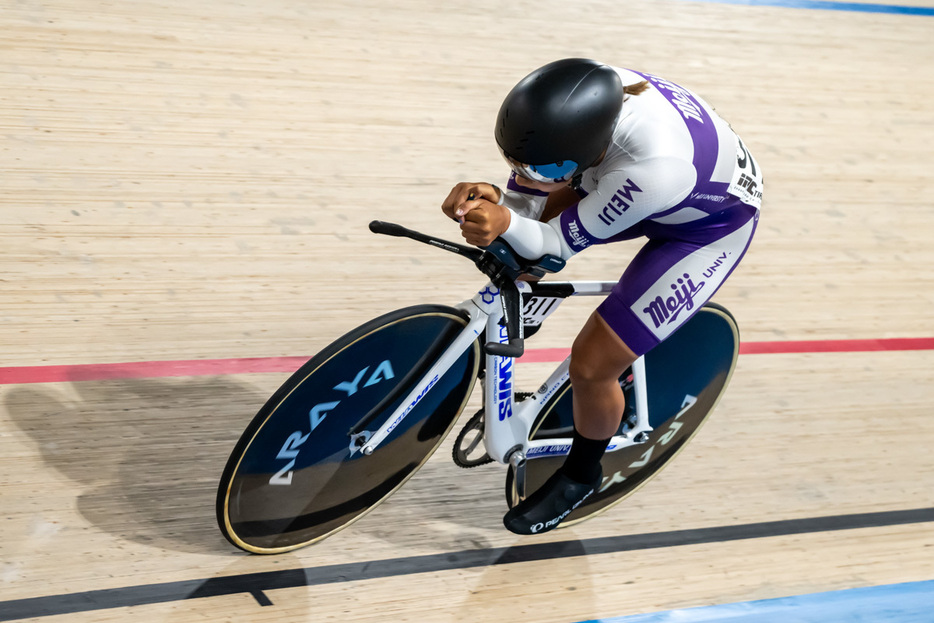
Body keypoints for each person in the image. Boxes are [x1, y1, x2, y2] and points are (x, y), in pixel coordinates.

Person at [441, 58, 762, 536]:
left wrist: (509, 221)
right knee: (523, 249)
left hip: (703, 228)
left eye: (546, 166)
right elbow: (535, 192)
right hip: (631, 173)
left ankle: (581, 474)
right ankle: (529, 306)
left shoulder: (654, 170)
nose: (527, 172)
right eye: (514, 159)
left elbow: (555, 243)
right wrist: (498, 198)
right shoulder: (582, 94)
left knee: (592, 363)